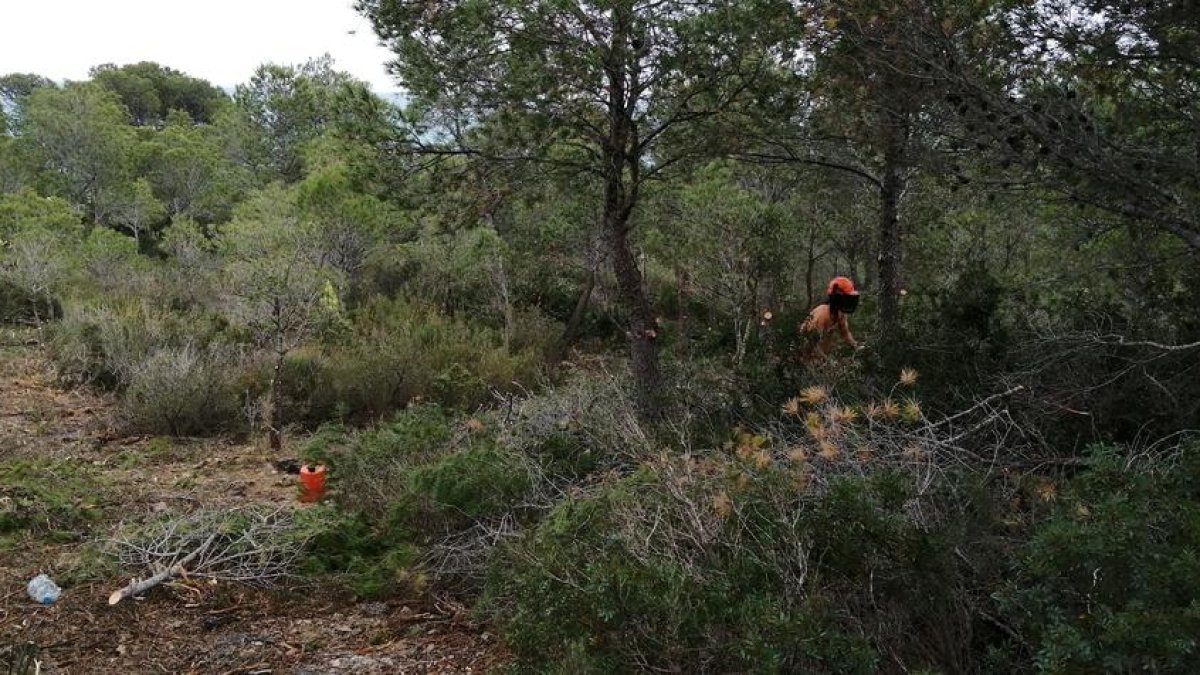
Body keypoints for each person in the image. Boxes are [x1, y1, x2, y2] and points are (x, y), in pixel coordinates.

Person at [799, 276, 862, 360]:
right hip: (805, 357)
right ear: (838, 298)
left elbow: (845, 334)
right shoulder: (821, 315)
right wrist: (827, 362)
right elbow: (811, 343)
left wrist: (856, 346)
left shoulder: (840, 314)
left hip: (820, 356)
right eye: (847, 299)